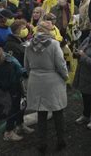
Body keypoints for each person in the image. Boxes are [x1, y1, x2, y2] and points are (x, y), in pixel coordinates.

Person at [24, 21, 68, 153]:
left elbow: (26, 65)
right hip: (52, 80)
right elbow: (60, 64)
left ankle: (41, 143)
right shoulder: (54, 44)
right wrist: (66, 76)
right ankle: (61, 141)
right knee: (58, 112)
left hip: (35, 80)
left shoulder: (28, 44)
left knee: (41, 113)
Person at [2, 19, 33, 142]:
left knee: (22, 102)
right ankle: (8, 131)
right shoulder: (11, 45)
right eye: (24, 28)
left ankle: (20, 124)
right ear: (18, 30)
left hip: (20, 78)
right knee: (15, 104)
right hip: (15, 79)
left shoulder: (19, 42)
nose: (25, 30)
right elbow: (12, 65)